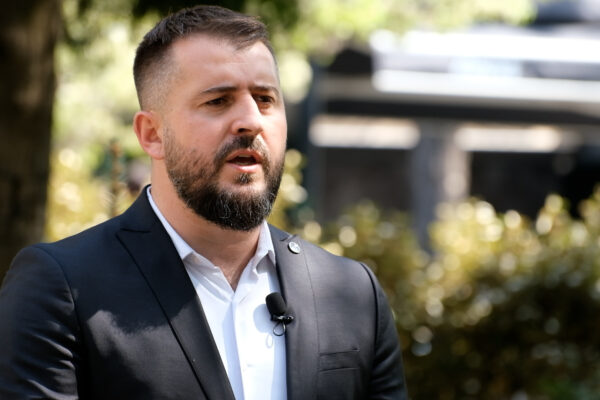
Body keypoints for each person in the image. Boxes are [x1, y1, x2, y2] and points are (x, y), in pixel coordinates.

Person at [0, 5, 407, 400]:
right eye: (218, 101)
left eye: (265, 99)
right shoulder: (62, 289)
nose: (251, 121)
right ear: (152, 134)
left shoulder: (353, 293)